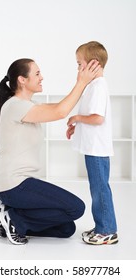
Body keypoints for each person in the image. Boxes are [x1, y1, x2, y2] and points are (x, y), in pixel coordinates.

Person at [0, 57, 100, 245]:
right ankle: (15, 219)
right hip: (15, 184)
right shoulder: (15, 105)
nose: (42, 77)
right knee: (76, 208)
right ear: (22, 80)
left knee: (66, 229)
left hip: (18, 186)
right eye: (37, 73)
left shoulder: (29, 105)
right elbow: (59, 112)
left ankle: (6, 218)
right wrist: (82, 81)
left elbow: (61, 108)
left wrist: (78, 121)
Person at [66, 41, 118, 245]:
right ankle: (101, 227)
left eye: (80, 64)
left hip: (97, 148)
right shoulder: (94, 86)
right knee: (97, 188)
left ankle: (107, 231)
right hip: (93, 147)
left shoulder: (98, 87)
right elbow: (92, 116)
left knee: (99, 189)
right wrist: (76, 124)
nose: (78, 69)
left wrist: (77, 119)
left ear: (93, 64)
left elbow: (98, 119)